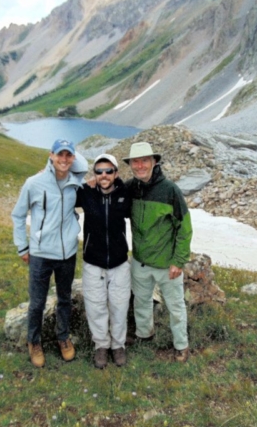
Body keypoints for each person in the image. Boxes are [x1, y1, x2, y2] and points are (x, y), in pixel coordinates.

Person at [11, 139, 88, 368]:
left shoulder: (76, 183)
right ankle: (34, 342)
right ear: (50, 155)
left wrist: (72, 154)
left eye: (68, 155)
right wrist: (22, 246)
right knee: (37, 303)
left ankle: (63, 337)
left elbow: (83, 165)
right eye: (59, 155)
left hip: (67, 254)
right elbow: (17, 215)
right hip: (41, 254)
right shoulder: (34, 183)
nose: (64, 159)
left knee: (65, 299)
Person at [123, 142, 192, 363]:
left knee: (175, 306)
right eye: (136, 161)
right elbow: (107, 190)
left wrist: (178, 261)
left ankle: (181, 344)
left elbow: (184, 227)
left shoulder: (170, 190)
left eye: (145, 160)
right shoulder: (130, 188)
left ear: (154, 162)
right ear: (131, 165)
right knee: (141, 301)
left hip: (166, 265)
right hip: (140, 261)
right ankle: (144, 334)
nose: (140, 165)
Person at [76, 154, 132, 369]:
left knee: (119, 306)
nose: (104, 175)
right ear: (94, 174)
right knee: (95, 306)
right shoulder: (86, 193)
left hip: (119, 262)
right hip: (93, 262)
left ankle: (118, 346)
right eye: (99, 171)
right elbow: (63, 188)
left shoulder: (125, 193)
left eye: (108, 171)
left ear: (116, 173)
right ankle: (101, 345)